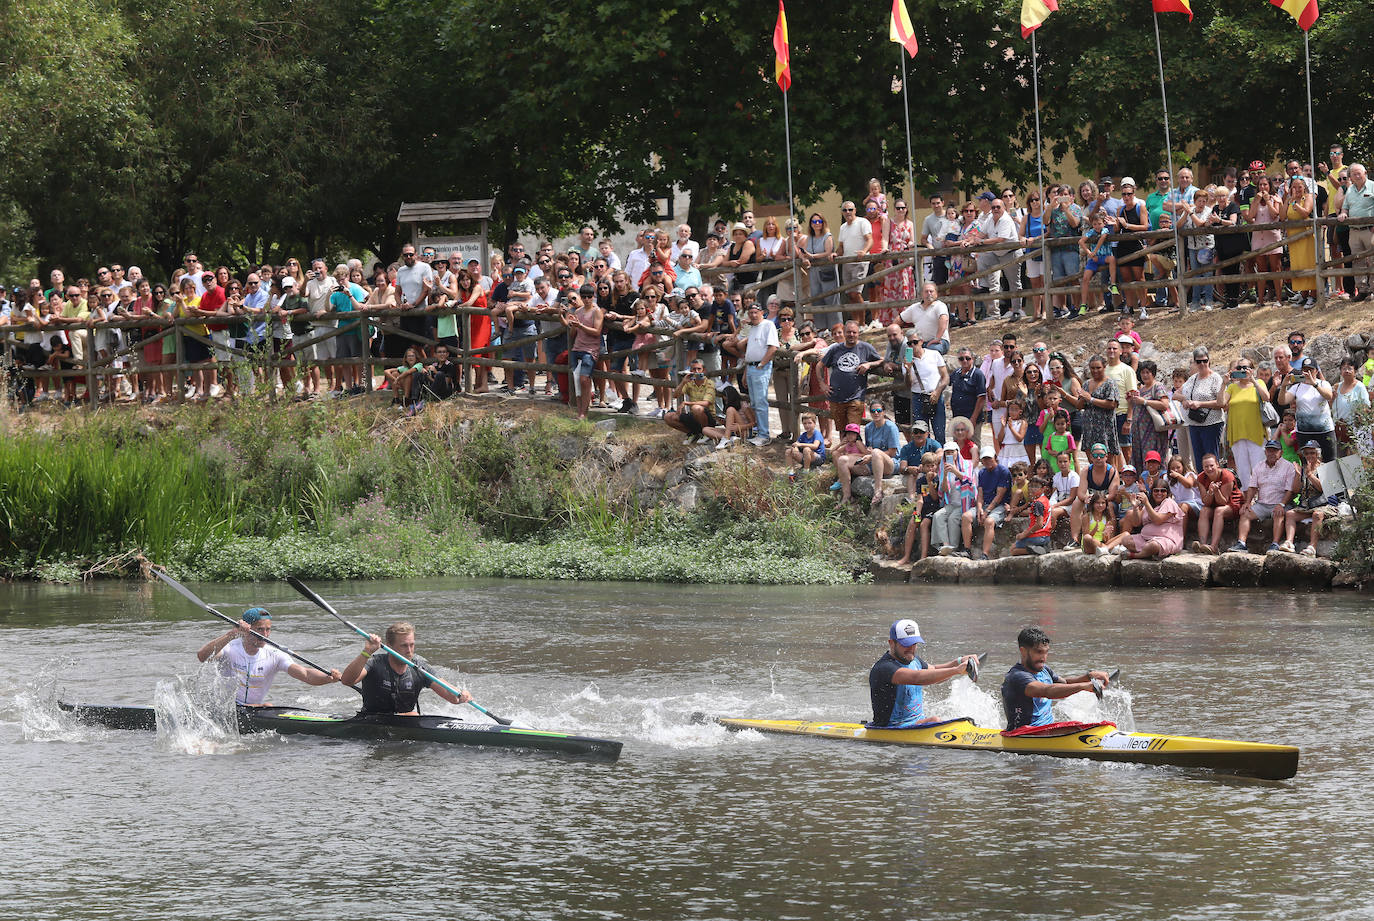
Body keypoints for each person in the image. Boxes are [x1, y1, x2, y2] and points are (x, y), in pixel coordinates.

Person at [195, 607, 342, 705]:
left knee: (268, 706)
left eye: (268, 630)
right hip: (226, 708)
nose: (265, 635)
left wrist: (327, 678)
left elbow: (305, 674)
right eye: (259, 630)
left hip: (254, 710)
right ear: (247, 629)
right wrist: (231, 633)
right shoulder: (229, 648)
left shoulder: (275, 654)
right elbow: (202, 656)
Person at [339, 622, 472, 715]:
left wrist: (460, 696)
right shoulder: (375, 663)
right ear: (389, 646)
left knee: (412, 715)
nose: (409, 651)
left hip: (407, 722)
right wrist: (366, 652)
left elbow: (450, 694)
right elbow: (347, 681)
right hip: (372, 720)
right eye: (404, 646)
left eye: (412, 645)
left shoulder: (420, 667)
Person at [869, 620, 980, 728]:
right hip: (891, 728)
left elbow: (934, 670)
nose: (911, 648)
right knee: (935, 720)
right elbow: (917, 678)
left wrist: (959, 661)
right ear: (892, 643)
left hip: (917, 724)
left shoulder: (914, 660)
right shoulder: (884, 668)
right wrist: (956, 670)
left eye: (914, 644)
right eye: (906, 644)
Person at [1002, 627, 1112, 731]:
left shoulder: (1044, 670)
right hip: (1022, 734)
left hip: (1046, 730)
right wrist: (1084, 686)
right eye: (1039, 652)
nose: (1043, 658)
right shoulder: (1017, 676)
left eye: (1046, 652)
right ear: (1023, 651)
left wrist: (1088, 677)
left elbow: (1065, 684)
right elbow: (1048, 691)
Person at [1231, 440, 1297, 553]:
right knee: (1245, 513)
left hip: (1280, 503)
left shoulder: (1288, 467)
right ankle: (1241, 544)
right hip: (1262, 504)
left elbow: (1290, 490)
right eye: (1269, 450)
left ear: (1280, 453)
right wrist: (1247, 502)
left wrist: (1282, 504)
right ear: (1265, 452)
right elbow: (1252, 487)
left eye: (1275, 451)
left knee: (1278, 513)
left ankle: (1275, 544)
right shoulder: (1259, 466)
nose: (1271, 453)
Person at [821, 320, 883, 433]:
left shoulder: (866, 348)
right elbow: (820, 365)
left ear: (859, 333)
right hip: (836, 397)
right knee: (842, 431)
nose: (851, 335)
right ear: (844, 333)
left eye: (854, 332)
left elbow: (881, 360)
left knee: (853, 432)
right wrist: (822, 384)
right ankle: (844, 451)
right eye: (849, 332)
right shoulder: (836, 349)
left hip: (856, 398)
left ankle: (852, 451)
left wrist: (869, 364)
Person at [963, 446, 1010, 561]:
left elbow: (999, 496)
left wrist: (987, 511)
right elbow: (980, 494)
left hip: (1000, 505)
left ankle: (985, 554)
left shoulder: (1003, 471)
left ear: (995, 458)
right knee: (966, 517)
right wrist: (979, 509)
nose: (987, 461)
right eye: (985, 459)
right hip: (985, 504)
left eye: (989, 458)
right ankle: (967, 550)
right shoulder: (982, 472)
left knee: (989, 521)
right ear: (981, 460)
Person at [1284, 441, 1328, 556]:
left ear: (1318, 454)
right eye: (1307, 453)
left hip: (1321, 505)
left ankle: (1312, 547)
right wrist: (1298, 475)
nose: (1309, 456)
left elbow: (1323, 488)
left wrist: (1310, 475)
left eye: (1312, 453)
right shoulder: (1303, 469)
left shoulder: (1324, 468)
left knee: (1317, 515)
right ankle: (1289, 543)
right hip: (1306, 506)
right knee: (1289, 514)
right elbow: (1296, 490)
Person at [1010, 476, 1053, 555]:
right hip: (1046, 536)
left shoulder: (1037, 503)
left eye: (1036, 487)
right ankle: (1040, 547)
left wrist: (1024, 534)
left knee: (1013, 550)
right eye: (1031, 486)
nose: (1032, 489)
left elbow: (1039, 524)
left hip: (1039, 536)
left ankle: (1041, 549)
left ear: (1043, 488)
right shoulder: (1045, 499)